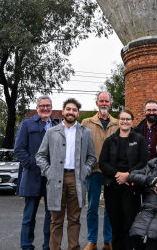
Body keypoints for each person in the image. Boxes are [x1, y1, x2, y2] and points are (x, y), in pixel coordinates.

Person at [36, 98, 96, 250]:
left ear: (78, 113)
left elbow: (92, 157)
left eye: (74, 110)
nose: (71, 112)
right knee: (56, 221)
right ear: (63, 111)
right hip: (56, 178)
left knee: (74, 219)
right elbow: (40, 156)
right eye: (68, 109)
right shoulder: (51, 132)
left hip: (76, 179)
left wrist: (85, 172)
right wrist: (49, 172)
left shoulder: (85, 133)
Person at [98, 109, 148, 250]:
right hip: (112, 186)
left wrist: (128, 174)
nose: (125, 122)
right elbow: (102, 163)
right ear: (118, 121)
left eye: (128, 119)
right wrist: (117, 174)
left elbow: (144, 161)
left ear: (132, 122)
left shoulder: (139, 140)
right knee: (115, 223)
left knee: (129, 222)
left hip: (131, 186)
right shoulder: (109, 140)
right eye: (122, 119)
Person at [14, 95, 57, 250]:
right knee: (29, 216)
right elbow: (19, 150)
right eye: (42, 106)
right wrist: (34, 165)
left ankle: (48, 246)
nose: (45, 108)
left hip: (51, 178)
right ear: (37, 107)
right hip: (32, 176)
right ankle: (26, 246)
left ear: (51, 107)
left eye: (48, 106)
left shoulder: (57, 125)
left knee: (50, 217)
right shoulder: (27, 124)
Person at [82, 92, 118, 250]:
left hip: (111, 172)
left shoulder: (117, 123)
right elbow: (81, 147)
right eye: (101, 101)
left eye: (107, 101)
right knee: (92, 207)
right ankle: (92, 240)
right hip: (93, 170)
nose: (104, 103)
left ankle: (108, 241)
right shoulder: (87, 122)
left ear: (111, 104)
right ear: (97, 103)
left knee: (110, 208)